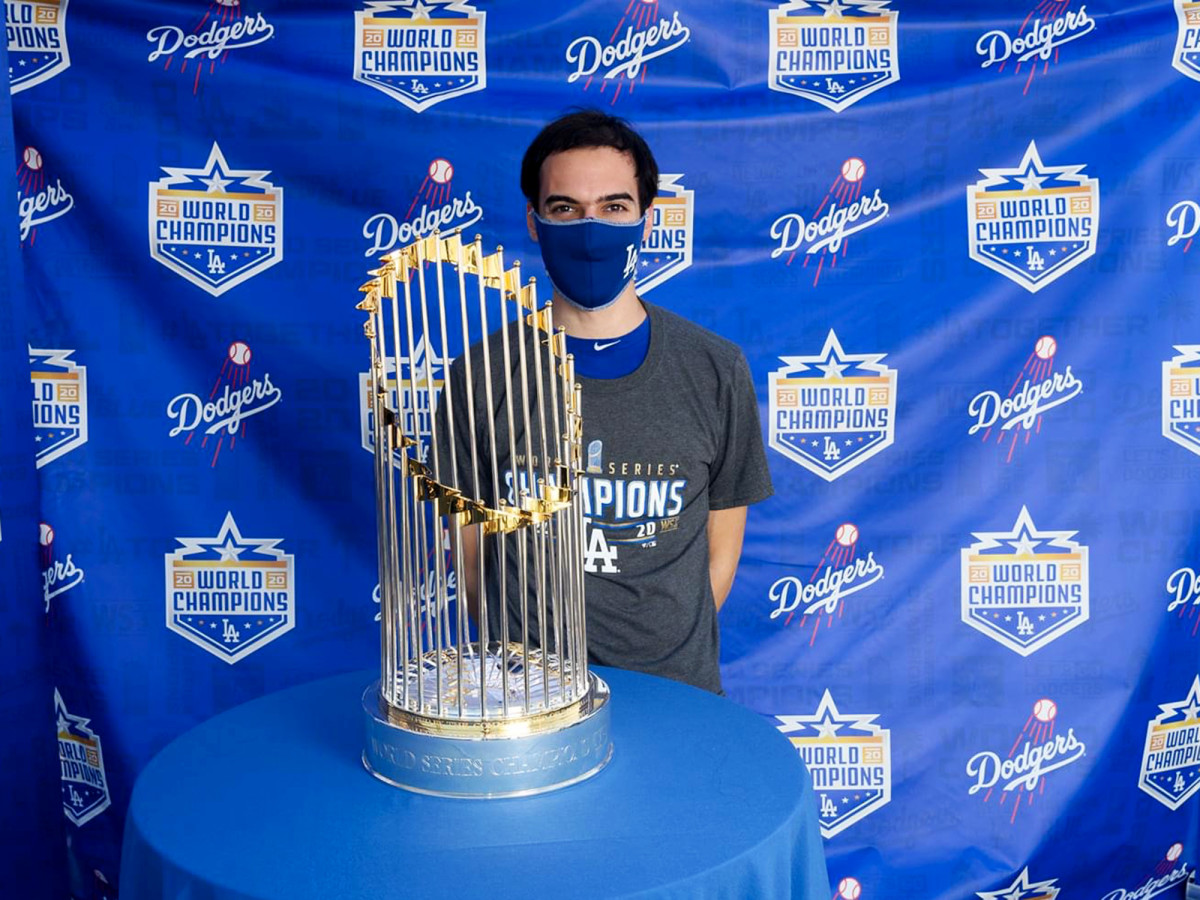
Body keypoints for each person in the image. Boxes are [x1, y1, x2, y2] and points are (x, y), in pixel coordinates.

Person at [445, 109, 772, 694]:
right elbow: (471, 559)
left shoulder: (715, 369)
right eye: (565, 208)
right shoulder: (481, 374)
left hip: (674, 696)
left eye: (614, 207)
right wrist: (519, 674)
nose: (590, 229)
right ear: (534, 220)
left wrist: (665, 663)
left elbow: (721, 551)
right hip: (525, 699)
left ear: (646, 219)